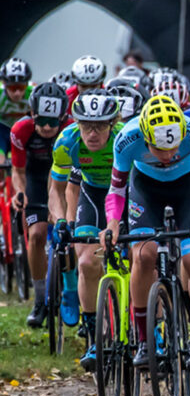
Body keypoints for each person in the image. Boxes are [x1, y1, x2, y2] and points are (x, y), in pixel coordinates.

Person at [102, 95, 190, 376]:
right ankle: (145, 341)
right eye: (160, 149)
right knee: (143, 255)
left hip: (188, 189)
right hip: (146, 189)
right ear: (145, 136)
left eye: (174, 147)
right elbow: (117, 191)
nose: (168, 155)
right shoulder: (127, 139)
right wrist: (112, 223)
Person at [49, 90, 124, 369]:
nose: (92, 133)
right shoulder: (66, 142)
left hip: (128, 193)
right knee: (86, 262)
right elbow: (57, 190)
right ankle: (94, 336)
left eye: (100, 126)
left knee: (141, 256)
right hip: (92, 194)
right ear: (77, 123)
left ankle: (150, 328)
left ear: (112, 124)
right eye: (86, 126)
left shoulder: (124, 138)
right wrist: (60, 220)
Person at [10, 82, 70, 327]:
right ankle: (39, 298)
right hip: (34, 178)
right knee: (36, 235)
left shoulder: (71, 129)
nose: (46, 127)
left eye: (52, 122)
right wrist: (20, 193)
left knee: (70, 235)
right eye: (42, 120)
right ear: (32, 114)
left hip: (65, 179)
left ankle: (71, 291)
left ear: (62, 118)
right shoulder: (21, 129)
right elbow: (18, 171)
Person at [0, 58, 34, 163]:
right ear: (4, 84)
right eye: (12, 88)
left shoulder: (33, 93)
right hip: (2, 131)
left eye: (21, 87)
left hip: (25, 131)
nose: (17, 93)